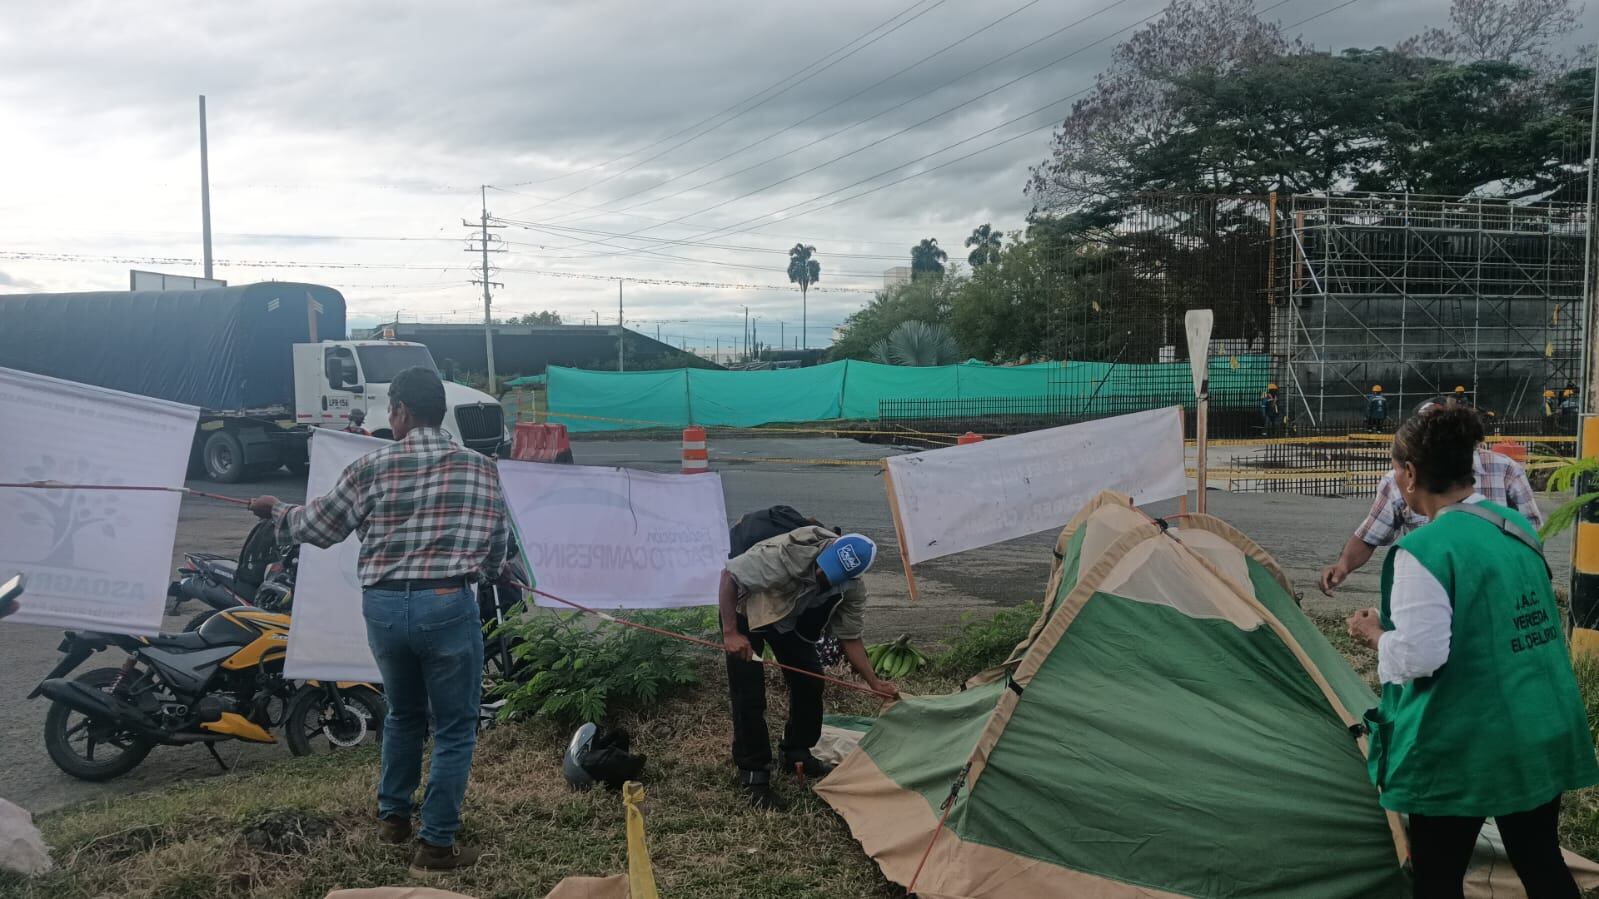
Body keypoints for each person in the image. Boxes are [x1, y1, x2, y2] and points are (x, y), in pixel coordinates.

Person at [248, 366, 508, 876]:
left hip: (385, 609)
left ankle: (394, 821)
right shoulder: (482, 468)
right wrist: (494, 571)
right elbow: (496, 546)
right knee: (455, 728)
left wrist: (273, 509)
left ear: (401, 412)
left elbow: (317, 527)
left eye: (389, 408)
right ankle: (435, 848)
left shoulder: (372, 467)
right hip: (448, 605)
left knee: (404, 714)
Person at [1345, 406, 1598, 897]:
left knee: (1438, 877)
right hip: (1537, 724)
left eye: (1396, 468)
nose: (1395, 478)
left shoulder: (1426, 550)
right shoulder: (1513, 526)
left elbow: (1420, 657)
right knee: (1540, 860)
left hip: (1464, 745)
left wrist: (1376, 635)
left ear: (1412, 473)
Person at [719, 526, 898, 810]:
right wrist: (730, 632)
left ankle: (796, 752)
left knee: (811, 680)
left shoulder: (852, 588)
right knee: (749, 692)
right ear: (828, 549)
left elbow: (850, 636)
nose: (821, 576)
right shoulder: (788, 553)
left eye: (832, 576)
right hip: (745, 612)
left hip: (788, 621)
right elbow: (729, 576)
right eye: (824, 567)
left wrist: (873, 682)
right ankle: (754, 774)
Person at [1320, 399, 1542, 596]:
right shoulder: (1395, 484)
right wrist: (1342, 567)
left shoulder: (1419, 555)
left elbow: (1532, 537)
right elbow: (1370, 534)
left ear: (1410, 473)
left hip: (1494, 590)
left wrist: (1375, 633)